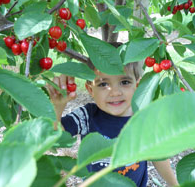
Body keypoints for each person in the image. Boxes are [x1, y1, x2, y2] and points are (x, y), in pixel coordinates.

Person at [47, 62, 179, 187]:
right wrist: (57, 107)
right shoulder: (87, 116)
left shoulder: (143, 118)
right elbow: (56, 138)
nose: (115, 92)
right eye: (103, 84)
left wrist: (174, 184)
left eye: (124, 82)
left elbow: (157, 155)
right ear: (90, 89)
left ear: (137, 86)